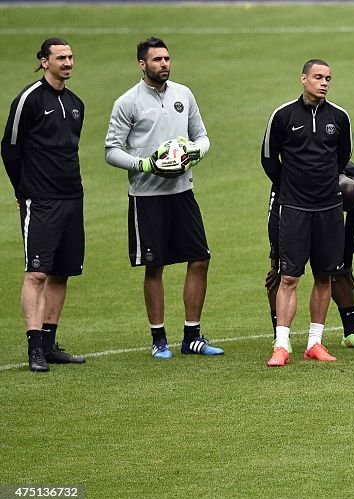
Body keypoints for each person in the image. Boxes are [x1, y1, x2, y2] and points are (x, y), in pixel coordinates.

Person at [104, 37, 223, 359]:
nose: (164, 64)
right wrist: (145, 164)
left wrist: (193, 153)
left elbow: (203, 136)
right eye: (157, 60)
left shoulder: (184, 94)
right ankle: (158, 339)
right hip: (146, 196)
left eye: (167, 59)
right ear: (142, 64)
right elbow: (111, 151)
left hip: (182, 191)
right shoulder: (127, 102)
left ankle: (192, 337)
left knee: (200, 259)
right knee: (154, 266)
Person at [261, 59, 353, 366]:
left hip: (329, 208)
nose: (324, 82)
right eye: (318, 77)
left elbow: (343, 157)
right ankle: (282, 345)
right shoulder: (283, 115)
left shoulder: (339, 117)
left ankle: (315, 342)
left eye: (328, 77)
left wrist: (323, 185)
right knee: (289, 277)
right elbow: (268, 159)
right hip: (294, 208)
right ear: (303, 79)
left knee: (325, 276)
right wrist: (290, 186)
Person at [2, 37, 87, 372]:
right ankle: (34, 347)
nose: (67, 63)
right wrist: (23, 191)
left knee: (62, 272)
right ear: (43, 61)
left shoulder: (77, 103)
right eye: (60, 58)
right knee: (37, 273)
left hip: (72, 198)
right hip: (40, 200)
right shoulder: (29, 100)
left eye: (70, 57)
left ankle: (50, 345)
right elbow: (10, 148)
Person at [264, 162, 354, 354]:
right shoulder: (295, 177)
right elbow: (275, 218)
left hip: (327, 215)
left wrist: (345, 261)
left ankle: (351, 332)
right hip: (292, 208)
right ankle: (280, 338)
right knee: (280, 273)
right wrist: (276, 256)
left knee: (337, 271)